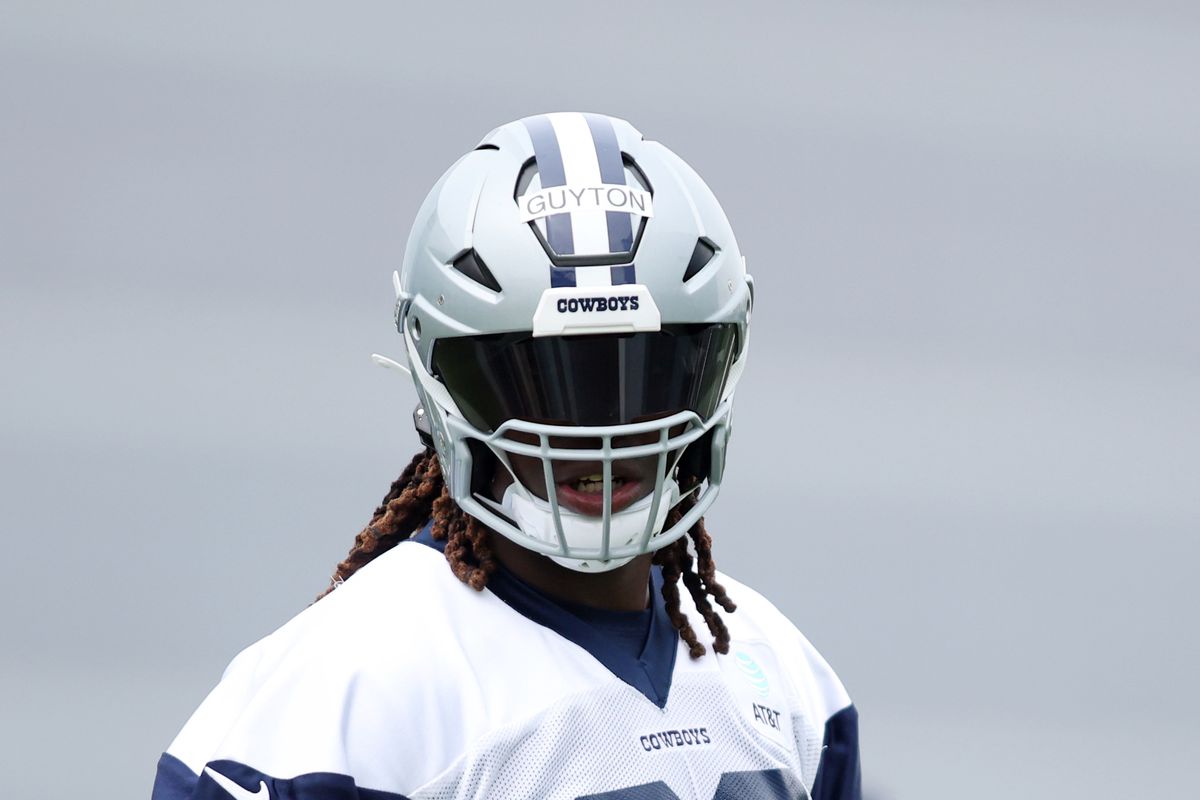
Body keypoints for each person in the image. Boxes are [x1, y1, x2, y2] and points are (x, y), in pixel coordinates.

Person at [152, 112, 861, 800]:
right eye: (543, 381)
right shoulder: (340, 696)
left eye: (646, 375)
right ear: (441, 380)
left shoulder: (787, 679)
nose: (597, 436)